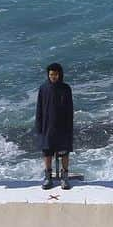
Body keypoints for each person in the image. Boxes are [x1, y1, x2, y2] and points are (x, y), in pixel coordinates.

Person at [35, 62, 74, 190]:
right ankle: (48, 177)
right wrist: (38, 126)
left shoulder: (66, 88)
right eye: (51, 74)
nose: (53, 77)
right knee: (47, 152)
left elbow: (70, 109)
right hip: (47, 126)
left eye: (56, 74)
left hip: (63, 126)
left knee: (64, 152)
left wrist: (69, 126)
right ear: (48, 75)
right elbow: (39, 108)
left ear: (60, 75)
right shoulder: (43, 88)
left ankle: (65, 177)